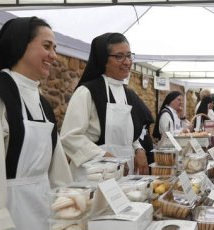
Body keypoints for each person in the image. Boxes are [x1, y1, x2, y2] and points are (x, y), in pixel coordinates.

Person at [0, 17, 72, 230]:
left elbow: (57, 166)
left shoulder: (42, 103)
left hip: (44, 209)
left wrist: (67, 209)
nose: (54, 55)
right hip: (9, 217)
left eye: (55, 48)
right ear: (20, 45)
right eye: (46, 46)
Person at [60, 33, 150, 176]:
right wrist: (105, 156)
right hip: (93, 175)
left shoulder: (128, 94)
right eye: (119, 56)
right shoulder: (86, 92)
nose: (127, 62)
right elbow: (69, 137)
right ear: (103, 59)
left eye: (128, 55)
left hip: (125, 172)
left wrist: (138, 148)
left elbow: (128, 134)